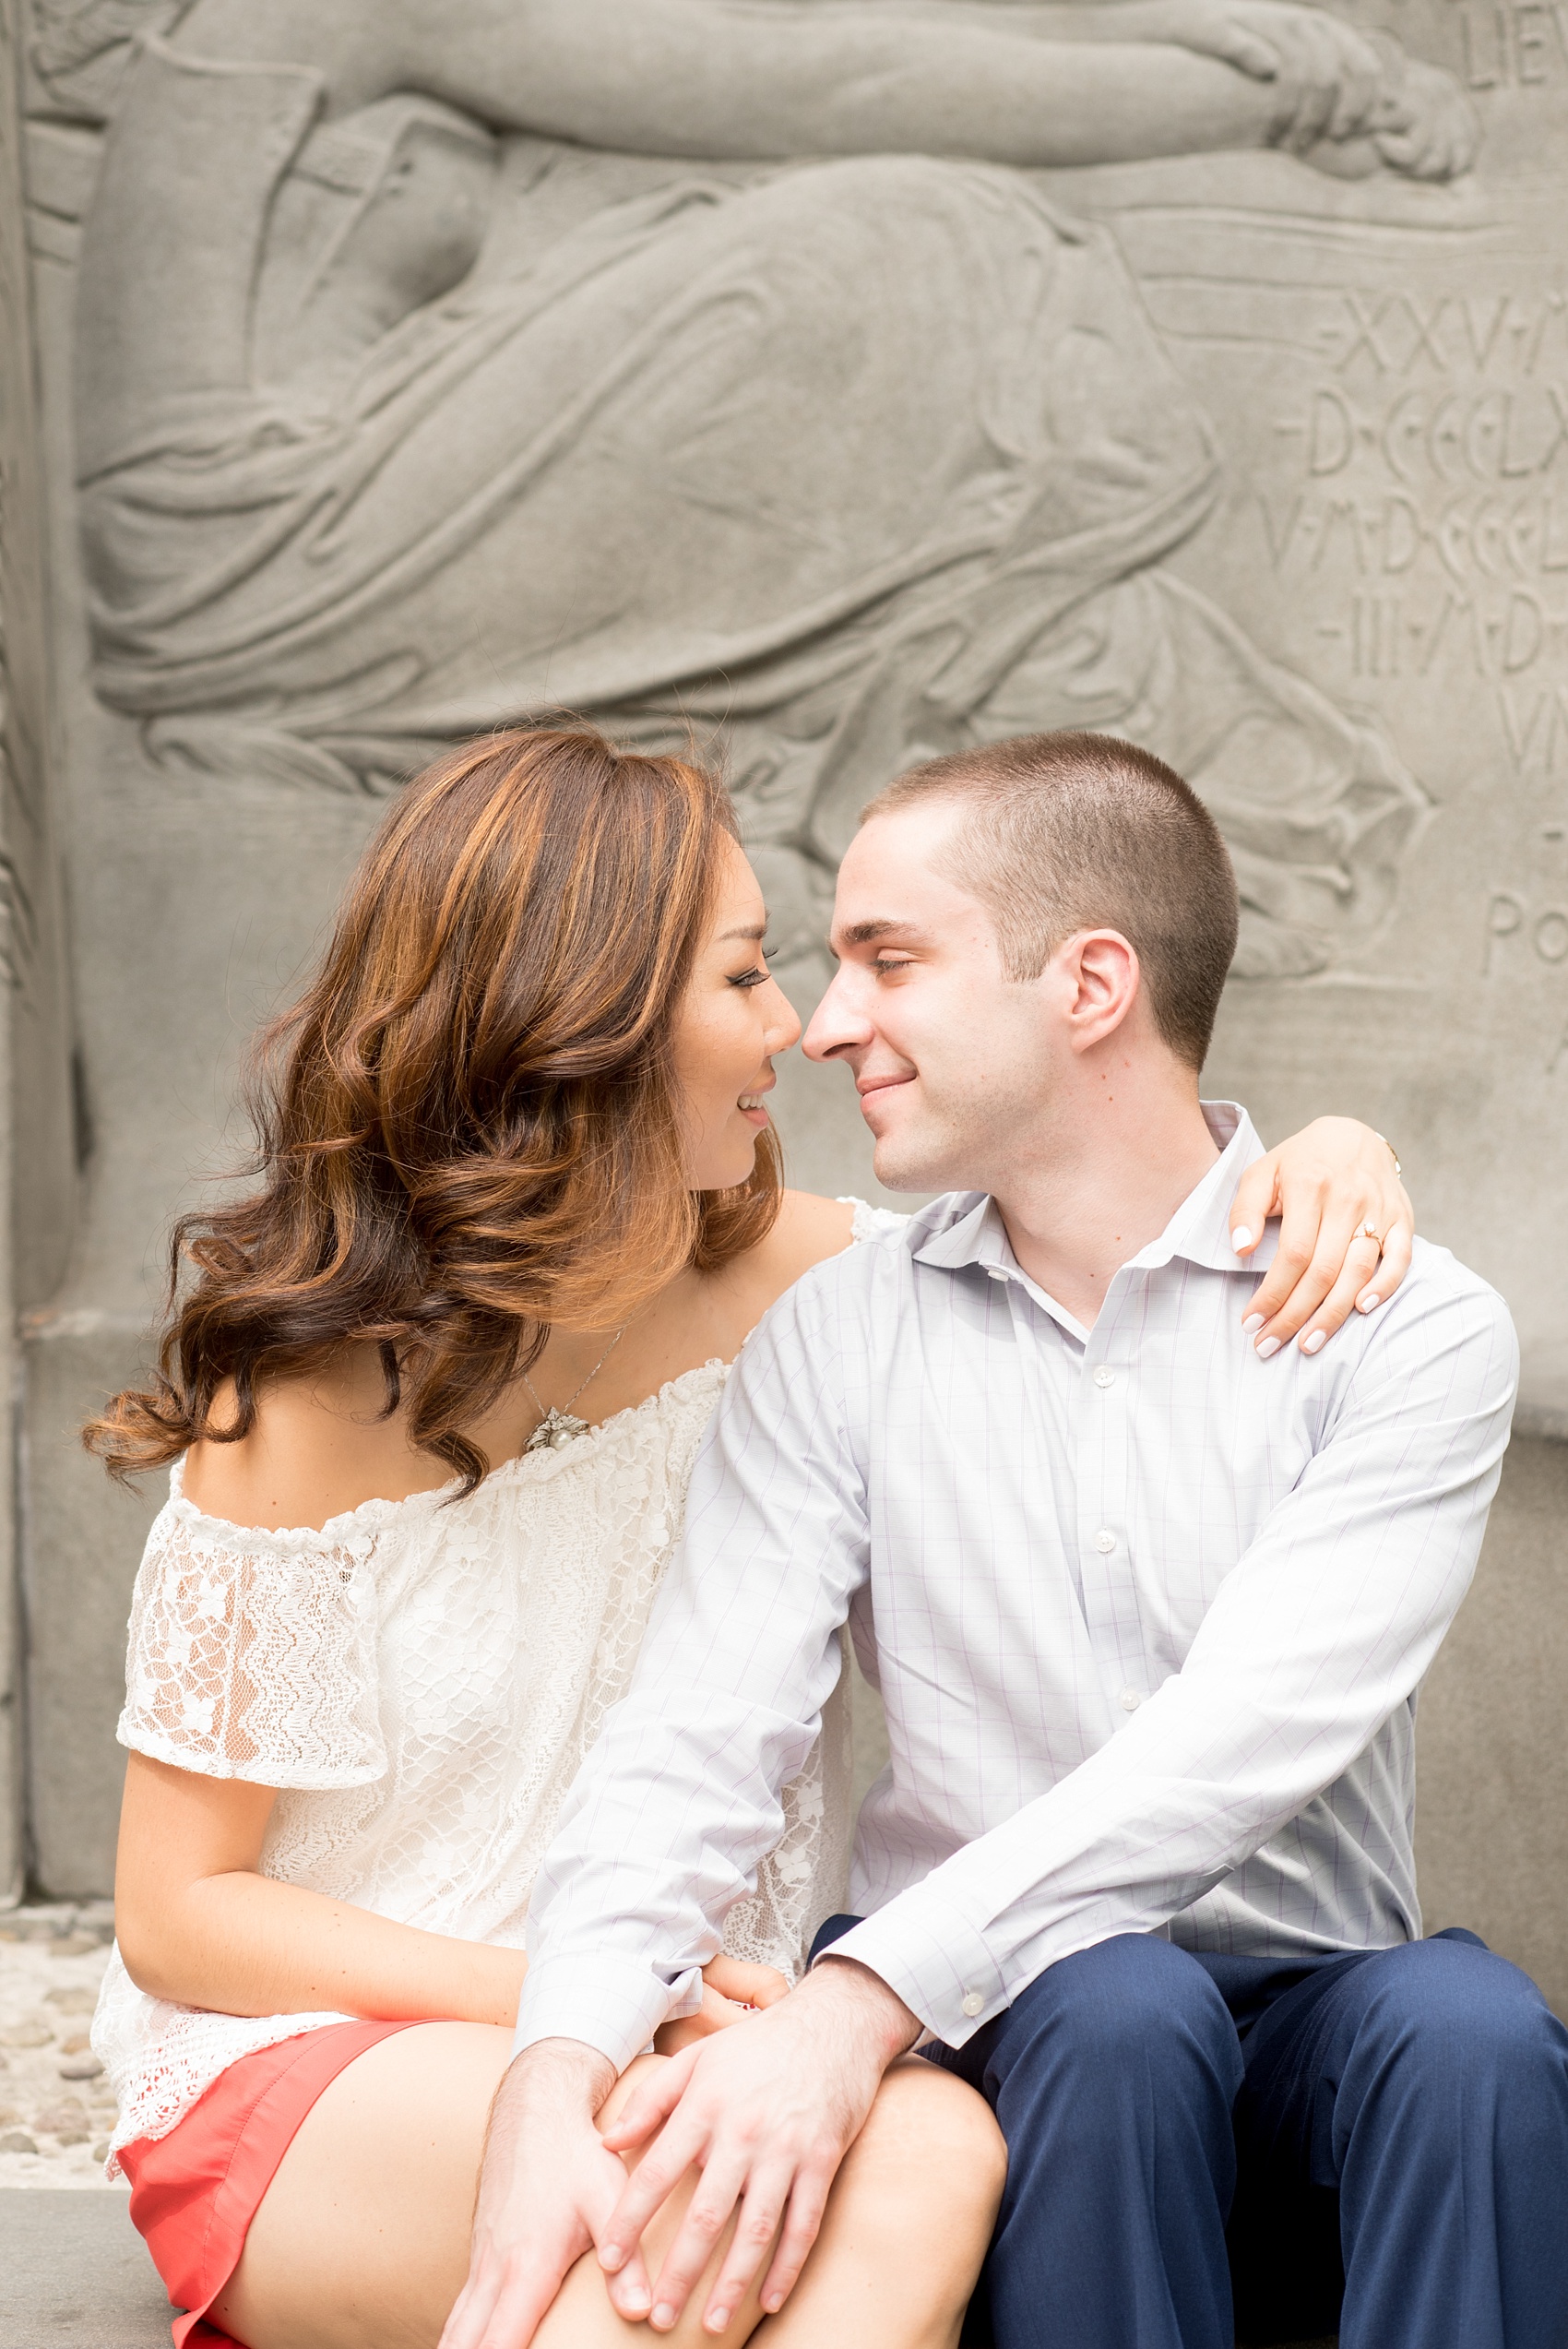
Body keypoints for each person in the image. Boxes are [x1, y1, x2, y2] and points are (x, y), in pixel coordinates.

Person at [86, 724, 1408, 2349]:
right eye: (740, 979)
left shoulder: (825, 1289)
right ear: (586, 1020)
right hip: (336, 2053)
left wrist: (1323, 1158)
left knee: (927, 2144)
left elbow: (1111, 1212)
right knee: (768, 2185)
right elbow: (180, 1912)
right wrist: (587, 2006)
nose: (798, 1026)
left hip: (720, 2035)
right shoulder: (294, 1396)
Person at [459, 730, 1567, 2349]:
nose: (830, 1025)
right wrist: (553, 2070)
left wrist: (853, 2000)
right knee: (1118, 2005)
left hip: (1286, 2013)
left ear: (1091, 983)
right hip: (1006, 2038)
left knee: (1474, 2033)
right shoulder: (839, 1337)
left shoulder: (1408, 1332)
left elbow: (1235, 1740)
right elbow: (695, 1739)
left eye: (887, 961)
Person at [48, 0, 1468, 975]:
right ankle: (908, 809)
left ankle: (981, 800)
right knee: (919, 234)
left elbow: (795, 51)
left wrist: (1162, 44)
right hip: (253, 541)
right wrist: (1269, 95)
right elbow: (829, 89)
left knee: (939, 475)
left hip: (316, 515)